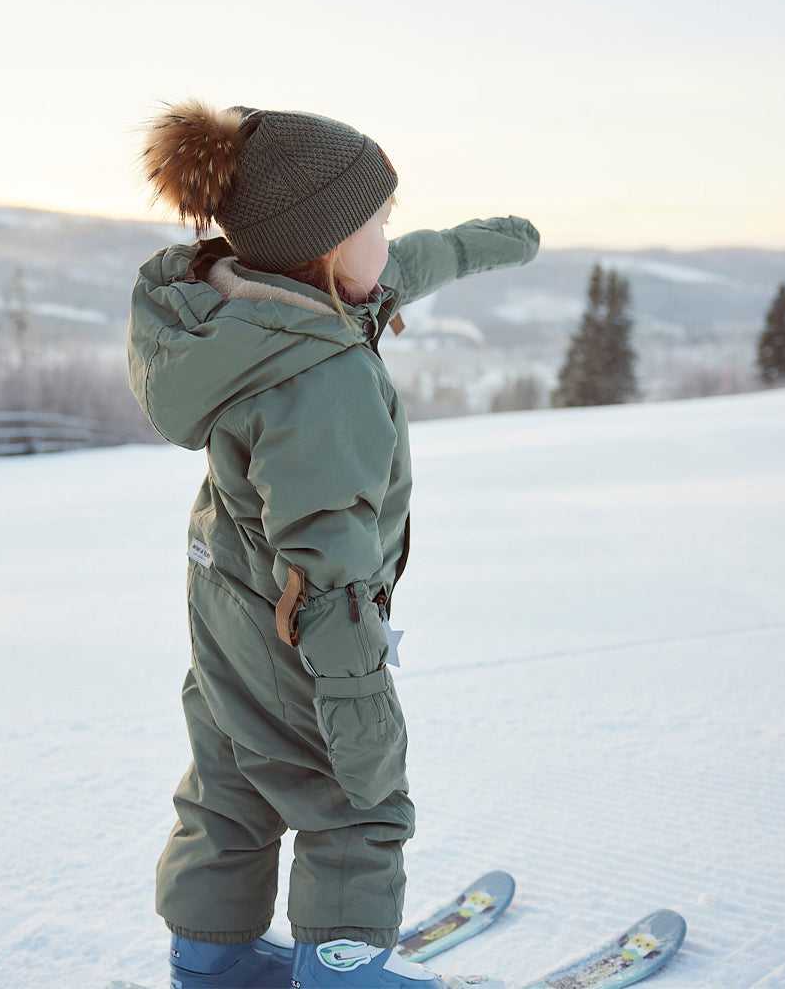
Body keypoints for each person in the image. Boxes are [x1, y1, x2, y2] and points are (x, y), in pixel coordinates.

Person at [127, 100, 539, 989]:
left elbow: (397, 270)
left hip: (229, 609)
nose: (391, 237)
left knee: (232, 780)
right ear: (325, 245)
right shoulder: (324, 380)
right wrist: (357, 694)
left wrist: (480, 244)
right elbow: (328, 566)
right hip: (304, 623)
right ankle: (345, 968)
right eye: (379, 222)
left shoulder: (251, 312)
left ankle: (212, 957)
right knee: (356, 796)